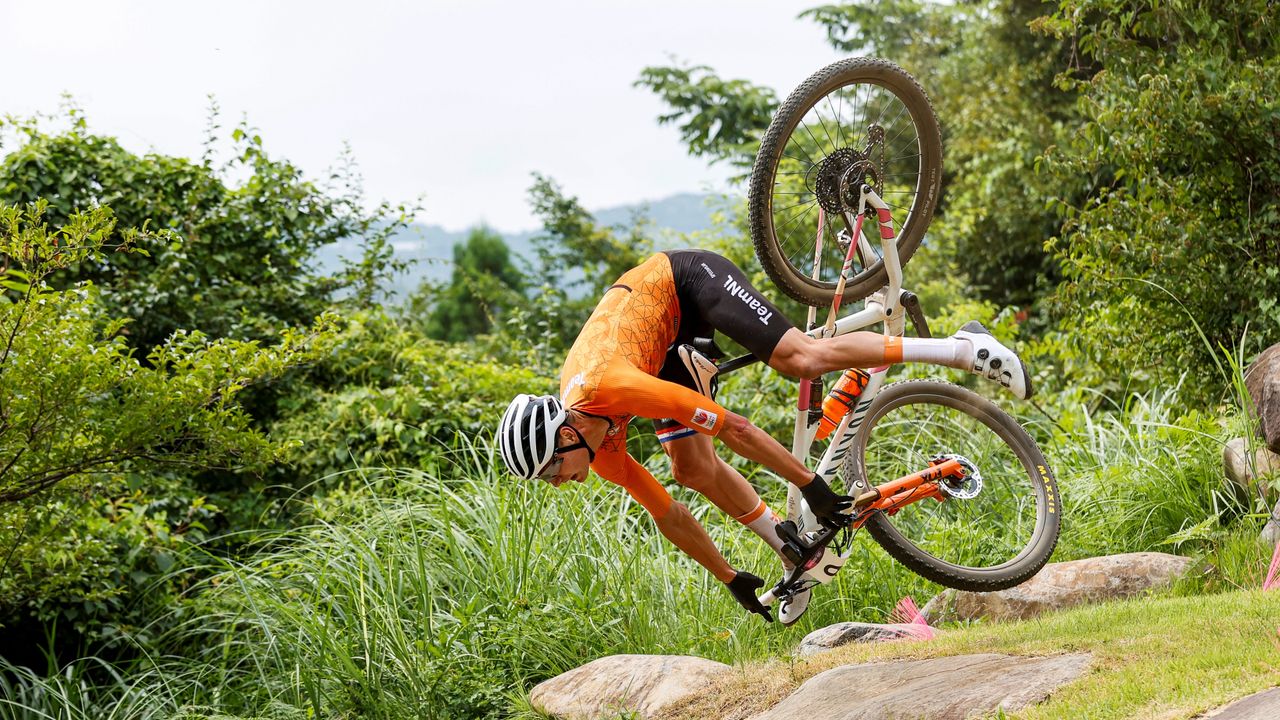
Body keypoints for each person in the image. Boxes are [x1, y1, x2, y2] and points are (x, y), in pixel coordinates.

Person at [497, 249, 1031, 624]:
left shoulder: (609, 387)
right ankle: (789, 548)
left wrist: (810, 486)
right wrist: (729, 578)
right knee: (689, 469)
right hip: (658, 351)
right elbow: (670, 515)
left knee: (801, 358)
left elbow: (735, 428)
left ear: (566, 435)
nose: (558, 483)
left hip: (683, 284)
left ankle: (961, 348)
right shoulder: (598, 450)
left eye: (550, 471)